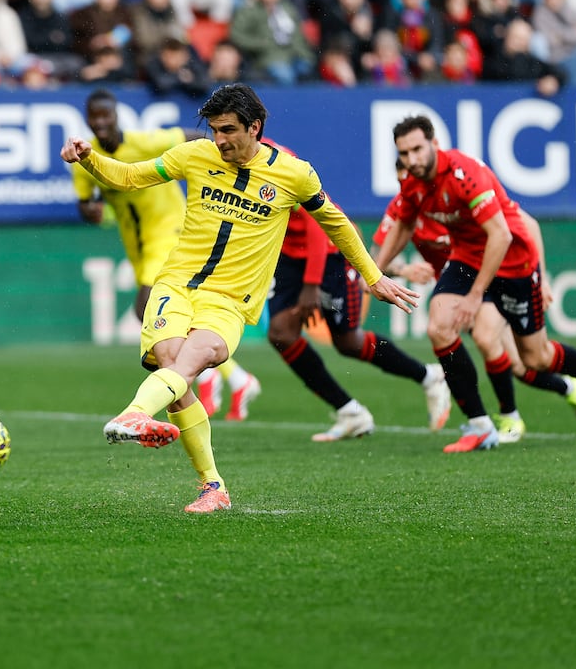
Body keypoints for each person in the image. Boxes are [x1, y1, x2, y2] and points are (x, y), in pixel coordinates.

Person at [59, 84, 420, 512]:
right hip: (174, 285)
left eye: (228, 130)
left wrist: (374, 276)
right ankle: (213, 487)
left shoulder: (295, 174)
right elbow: (131, 176)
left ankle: (134, 412)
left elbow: (336, 222)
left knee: (193, 360)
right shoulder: (195, 156)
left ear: (255, 127)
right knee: (176, 378)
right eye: (214, 130)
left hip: (229, 300)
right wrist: (89, 158)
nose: (220, 140)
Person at [374, 115, 576, 453]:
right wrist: (375, 273)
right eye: (404, 153)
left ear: (434, 144)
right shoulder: (412, 184)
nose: (412, 159)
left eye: (417, 149)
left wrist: (476, 295)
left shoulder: (466, 175)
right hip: (467, 257)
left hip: (513, 261)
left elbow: (502, 235)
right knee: (439, 327)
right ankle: (480, 425)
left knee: (535, 358)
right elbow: (403, 226)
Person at [71, 89, 260, 421]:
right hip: (138, 244)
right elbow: (85, 203)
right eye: (94, 117)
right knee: (168, 315)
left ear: (116, 116)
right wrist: (93, 211)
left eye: (106, 115)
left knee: (146, 307)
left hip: (170, 233)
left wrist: (220, 158)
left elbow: (190, 137)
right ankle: (236, 378)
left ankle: (208, 375)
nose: (100, 123)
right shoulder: (85, 156)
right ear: (87, 119)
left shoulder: (144, 142)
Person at [267, 200, 451, 442]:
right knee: (281, 333)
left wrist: (311, 285)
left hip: (330, 251)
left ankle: (429, 375)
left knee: (348, 342)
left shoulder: (281, 165)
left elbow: (314, 224)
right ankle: (349, 411)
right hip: (289, 254)